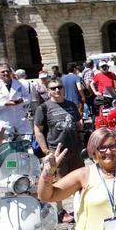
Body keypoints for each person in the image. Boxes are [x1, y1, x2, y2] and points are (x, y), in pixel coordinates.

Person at [33, 77, 85, 222]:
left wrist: (81, 139)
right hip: (56, 150)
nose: (57, 90)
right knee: (58, 181)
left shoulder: (71, 105)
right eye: (53, 88)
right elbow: (38, 130)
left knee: (80, 179)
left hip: (75, 148)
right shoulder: (44, 108)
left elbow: (78, 122)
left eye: (59, 87)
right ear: (48, 91)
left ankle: (80, 207)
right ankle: (61, 211)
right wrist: (45, 150)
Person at [0, 63, 32, 135]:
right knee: (7, 144)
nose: (6, 73)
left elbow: (28, 98)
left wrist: (21, 100)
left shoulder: (19, 84)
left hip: (20, 119)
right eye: (3, 72)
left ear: (11, 72)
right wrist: (5, 103)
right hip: (5, 121)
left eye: (7, 71)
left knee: (26, 142)